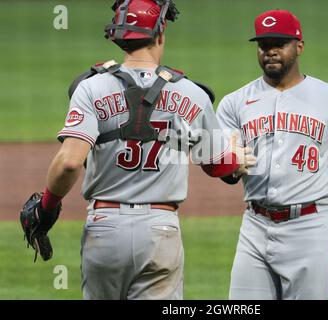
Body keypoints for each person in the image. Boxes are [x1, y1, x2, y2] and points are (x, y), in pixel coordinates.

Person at [20, 0, 254, 300]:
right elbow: (218, 166)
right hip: (160, 230)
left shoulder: (91, 88)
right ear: (161, 33)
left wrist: (47, 207)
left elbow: (68, 163)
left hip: (105, 229)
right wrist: (235, 159)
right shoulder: (192, 94)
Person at [216, 9, 328, 300]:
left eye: (279, 43)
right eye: (263, 45)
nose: (270, 51)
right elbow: (228, 177)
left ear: (299, 46)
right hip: (255, 226)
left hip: (312, 228)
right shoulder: (234, 103)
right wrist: (226, 166)